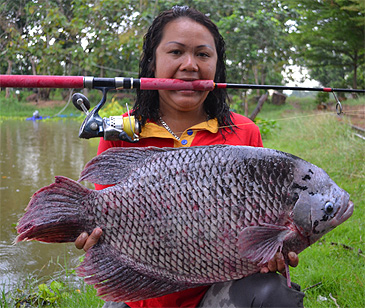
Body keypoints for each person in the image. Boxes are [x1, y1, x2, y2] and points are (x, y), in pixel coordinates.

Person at [75, 6, 304, 308]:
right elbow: (106, 223)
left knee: (273, 293)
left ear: (217, 66)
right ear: (151, 63)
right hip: (141, 295)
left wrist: (270, 250)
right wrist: (92, 236)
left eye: (203, 55)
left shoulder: (245, 132)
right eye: (176, 52)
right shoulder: (120, 133)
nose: (189, 65)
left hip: (215, 293)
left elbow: (260, 227)